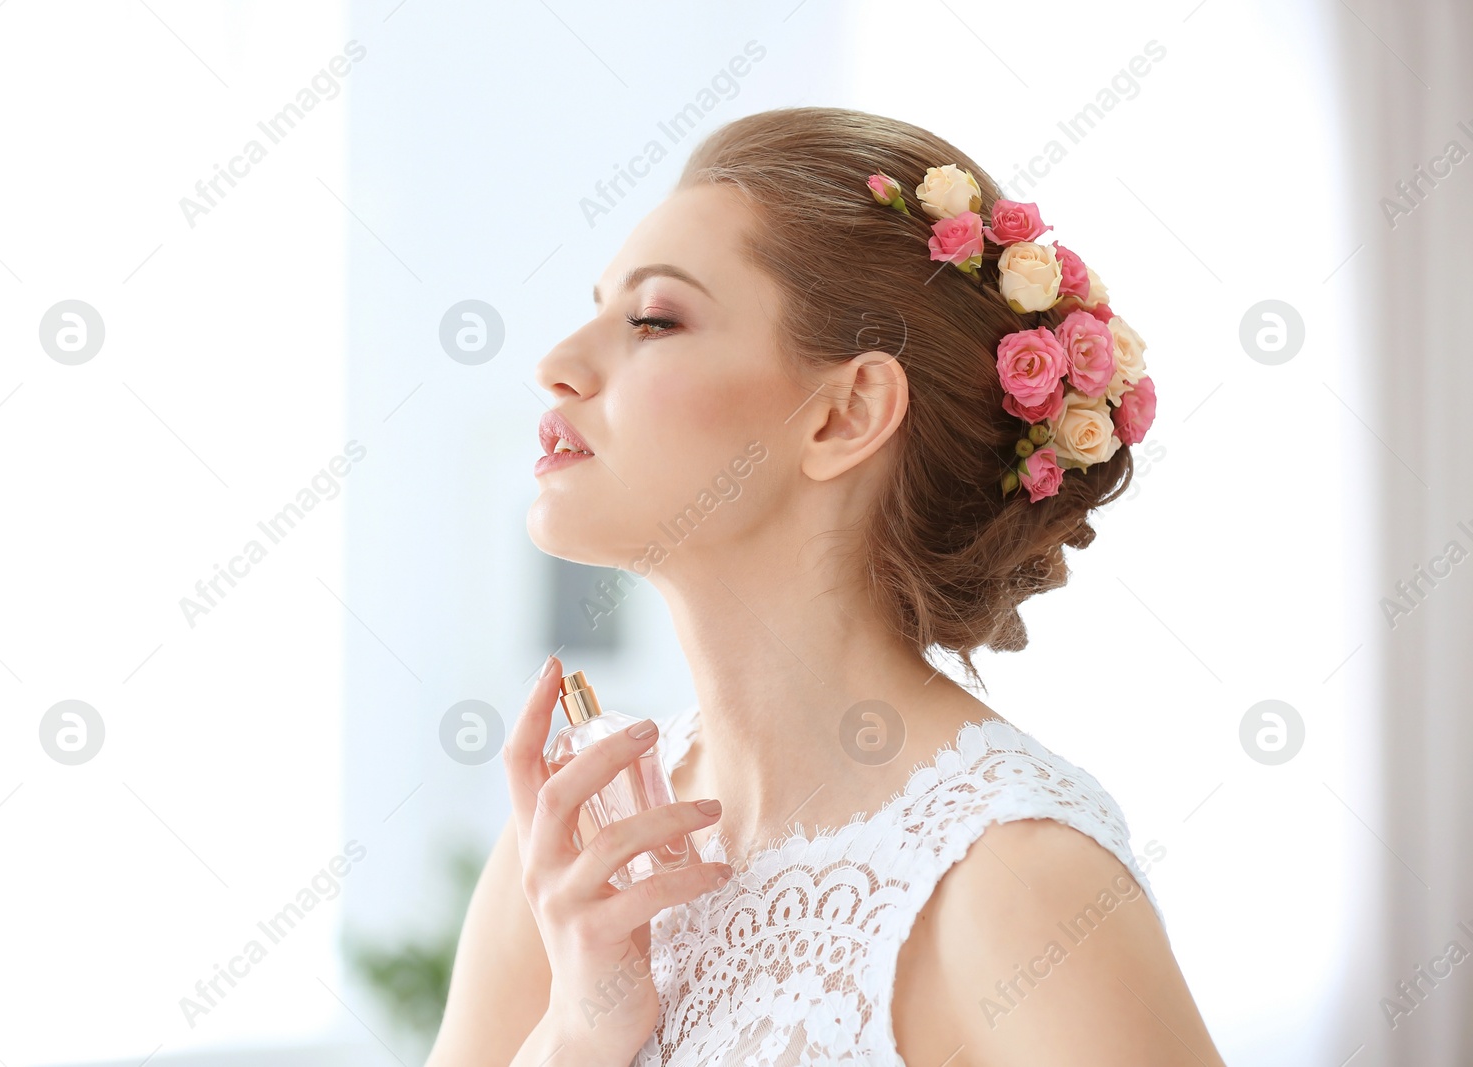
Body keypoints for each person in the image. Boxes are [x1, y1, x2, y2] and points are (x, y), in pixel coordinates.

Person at [428, 106, 1220, 1066]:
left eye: (652, 319)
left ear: (845, 413)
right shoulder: (575, 866)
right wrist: (580, 1030)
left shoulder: (1019, 884)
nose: (555, 366)